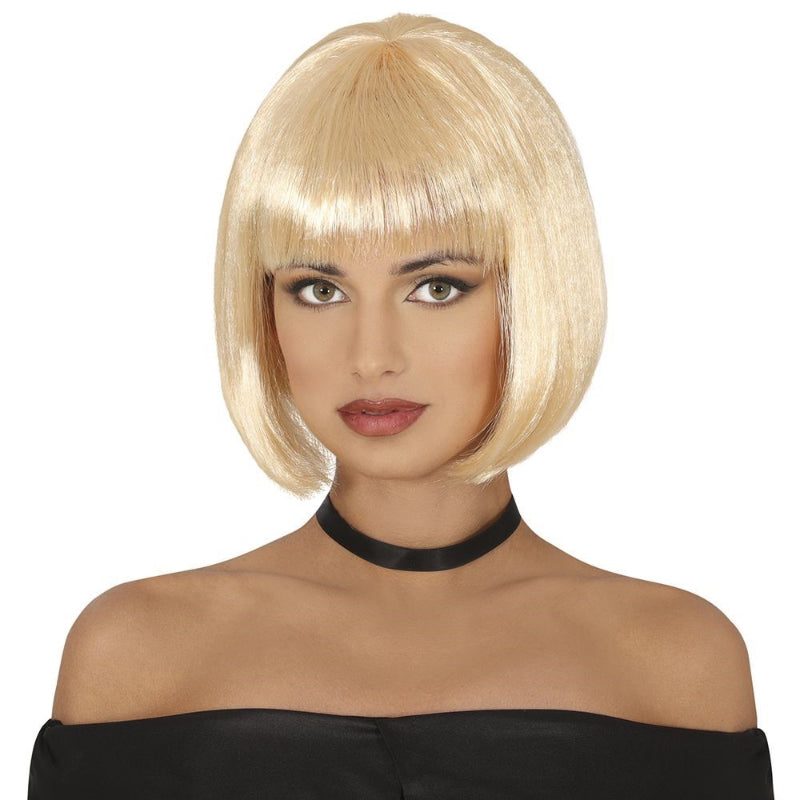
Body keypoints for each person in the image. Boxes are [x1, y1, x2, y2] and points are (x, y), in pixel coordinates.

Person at [27, 12, 773, 799]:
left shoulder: (675, 661)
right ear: (264, 310)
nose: (372, 355)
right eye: (320, 290)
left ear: (535, 293)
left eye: (437, 287)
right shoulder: (137, 653)